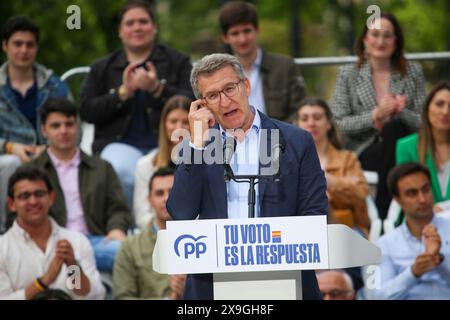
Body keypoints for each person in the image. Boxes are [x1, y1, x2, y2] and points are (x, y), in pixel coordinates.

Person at [167, 53, 328, 300]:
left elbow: (314, 214)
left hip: (284, 279)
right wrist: (197, 145)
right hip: (213, 284)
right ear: (202, 104)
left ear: (246, 86)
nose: (224, 101)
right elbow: (181, 213)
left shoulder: (295, 141)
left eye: (230, 88)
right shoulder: (198, 147)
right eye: (212, 95)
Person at [80, 0, 193, 205]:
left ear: (154, 27)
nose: (137, 27)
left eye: (143, 21)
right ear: (120, 31)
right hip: (118, 145)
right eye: (130, 23)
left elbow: (194, 102)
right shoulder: (101, 68)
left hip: (167, 144)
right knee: (120, 167)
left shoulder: (179, 61)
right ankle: (130, 228)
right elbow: (87, 111)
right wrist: (123, 93)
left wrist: (157, 88)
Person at [330, 12, 425, 219]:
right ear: (365, 39)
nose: (380, 41)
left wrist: (400, 112)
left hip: (404, 147)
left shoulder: (413, 72)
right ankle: (388, 209)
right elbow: (339, 122)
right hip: (365, 149)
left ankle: (383, 212)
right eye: (375, 34)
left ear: (396, 41)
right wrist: (375, 116)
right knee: (390, 130)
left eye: (387, 35)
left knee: (394, 127)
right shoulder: (348, 73)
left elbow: (423, 122)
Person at [25, 97, 133, 273]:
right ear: (44, 130)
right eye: (56, 126)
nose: (64, 131)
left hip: (96, 243)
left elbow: (119, 209)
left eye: (69, 124)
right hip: (50, 246)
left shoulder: (102, 167)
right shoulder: (31, 171)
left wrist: (117, 229)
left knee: (130, 255)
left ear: (78, 127)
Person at [0, 16, 71, 233]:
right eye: (17, 44)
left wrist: (50, 148)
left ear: (36, 48)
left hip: (49, 151)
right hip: (6, 156)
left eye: (29, 44)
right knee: (9, 164)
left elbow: (71, 126)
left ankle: (64, 229)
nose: (23, 50)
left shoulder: (54, 85)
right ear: (5, 46)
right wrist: (10, 147)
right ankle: (5, 233)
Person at [0, 166, 105, 299]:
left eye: (39, 194)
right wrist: (43, 282)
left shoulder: (76, 241)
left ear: (51, 197)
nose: (33, 201)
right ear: (11, 204)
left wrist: (73, 267)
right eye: (24, 196)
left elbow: (95, 296)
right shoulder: (2, 248)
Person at [373, 163, 450, 299]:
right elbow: (379, 296)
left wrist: (438, 259)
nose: (422, 199)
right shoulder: (384, 244)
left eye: (426, 189)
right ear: (398, 200)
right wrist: (413, 272)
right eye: (412, 193)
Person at [218, 1, 305, 121]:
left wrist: (279, 136)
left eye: (247, 31)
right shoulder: (218, 74)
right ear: (225, 38)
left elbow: (300, 110)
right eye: (235, 33)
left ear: (257, 30)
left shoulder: (285, 66)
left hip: (278, 137)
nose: (242, 39)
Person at [296, 97, 370, 235]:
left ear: (328, 123)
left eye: (317, 117)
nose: (311, 123)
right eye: (305, 119)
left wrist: (330, 181)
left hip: (347, 228)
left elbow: (361, 193)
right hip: (303, 229)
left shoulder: (347, 159)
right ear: (297, 125)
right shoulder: (289, 161)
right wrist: (345, 184)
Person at [114, 167, 186, 299]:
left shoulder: (202, 238)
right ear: (149, 200)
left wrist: (188, 290)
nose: (166, 198)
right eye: (159, 193)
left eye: (172, 191)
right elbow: (123, 296)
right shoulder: (130, 247)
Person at [133, 95, 191, 229]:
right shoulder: (145, 165)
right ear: (164, 124)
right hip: (156, 235)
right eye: (173, 121)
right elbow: (142, 214)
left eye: (185, 122)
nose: (179, 127)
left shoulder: (204, 163)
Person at [396, 81, 450, 211]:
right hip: (421, 222)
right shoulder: (406, 146)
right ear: (427, 108)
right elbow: (406, 193)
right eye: (439, 104)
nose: (445, 111)